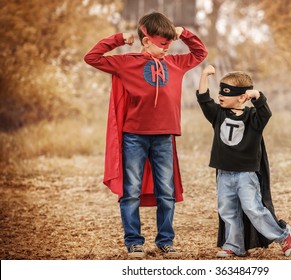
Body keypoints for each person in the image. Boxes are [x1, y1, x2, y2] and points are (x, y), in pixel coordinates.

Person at [84, 11, 207, 258]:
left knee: (166, 192)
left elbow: (200, 53)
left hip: (164, 137)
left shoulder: (175, 63)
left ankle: (166, 240)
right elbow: (92, 57)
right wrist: (119, 38)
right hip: (134, 137)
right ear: (146, 40)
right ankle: (134, 241)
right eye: (163, 44)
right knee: (131, 191)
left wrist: (185, 34)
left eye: (170, 44)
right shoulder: (126, 63)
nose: (167, 49)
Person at [196, 65, 291, 257]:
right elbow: (203, 99)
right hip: (224, 173)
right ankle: (234, 245)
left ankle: (282, 235)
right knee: (227, 211)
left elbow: (266, 112)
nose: (221, 95)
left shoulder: (253, 118)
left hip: (246, 174)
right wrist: (204, 76)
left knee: (253, 208)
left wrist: (257, 95)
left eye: (227, 92)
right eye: (220, 91)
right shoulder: (218, 114)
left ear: (242, 97)